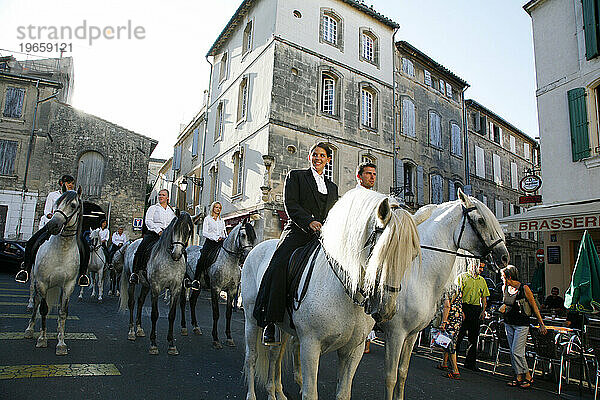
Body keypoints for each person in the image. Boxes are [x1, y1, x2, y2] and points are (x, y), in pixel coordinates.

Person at [253, 142, 339, 345]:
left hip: (323, 236)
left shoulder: (332, 187)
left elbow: (334, 213)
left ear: (328, 160)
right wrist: (309, 221)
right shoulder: (296, 176)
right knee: (278, 264)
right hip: (298, 232)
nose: (318, 158)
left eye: (322, 155)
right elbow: (290, 204)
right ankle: (270, 321)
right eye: (315, 154)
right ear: (310, 157)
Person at [15, 175, 90, 287]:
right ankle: (25, 269)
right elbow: (47, 210)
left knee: (85, 246)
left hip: (69, 228)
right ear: (61, 183)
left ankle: (83, 274)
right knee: (32, 241)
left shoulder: (75, 196)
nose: (70, 184)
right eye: (68, 182)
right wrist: (51, 216)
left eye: (72, 183)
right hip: (53, 224)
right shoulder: (53, 195)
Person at [499, 265, 547, 389]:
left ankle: (528, 375)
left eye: (503, 276)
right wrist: (503, 308)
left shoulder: (524, 288)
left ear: (509, 277)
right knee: (513, 352)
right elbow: (506, 303)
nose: (501, 278)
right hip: (509, 323)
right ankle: (518, 376)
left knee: (517, 352)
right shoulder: (504, 287)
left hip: (522, 324)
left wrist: (541, 323)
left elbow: (534, 306)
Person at [130, 189, 175, 284]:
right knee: (141, 248)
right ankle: (135, 273)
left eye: (163, 195)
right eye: (159, 195)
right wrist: (158, 230)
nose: (160, 196)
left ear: (167, 198)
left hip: (167, 236)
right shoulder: (153, 208)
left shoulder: (171, 211)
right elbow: (148, 221)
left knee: (179, 249)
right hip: (153, 234)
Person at [455, 261, 489, 371]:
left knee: (473, 338)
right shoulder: (462, 277)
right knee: (458, 336)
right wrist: (460, 310)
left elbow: (484, 297)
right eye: (480, 267)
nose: (482, 270)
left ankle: (470, 363)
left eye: (483, 268)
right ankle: (452, 360)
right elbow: (458, 295)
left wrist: (483, 311)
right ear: (474, 266)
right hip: (464, 307)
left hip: (475, 309)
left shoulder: (482, 280)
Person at [189, 201, 227, 290]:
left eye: (219, 208)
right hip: (210, 242)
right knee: (202, 258)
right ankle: (196, 280)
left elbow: (224, 231)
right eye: (216, 207)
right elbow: (204, 233)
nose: (218, 209)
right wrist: (215, 238)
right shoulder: (208, 219)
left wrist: (224, 237)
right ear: (213, 208)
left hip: (220, 242)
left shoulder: (222, 220)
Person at [436, 286, 464, 380]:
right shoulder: (457, 287)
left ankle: (455, 370)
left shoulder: (447, 288)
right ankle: (444, 363)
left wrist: (444, 321)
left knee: (450, 343)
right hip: (457, 317)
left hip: (450, 318)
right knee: (447, 341)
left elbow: (447, 305)